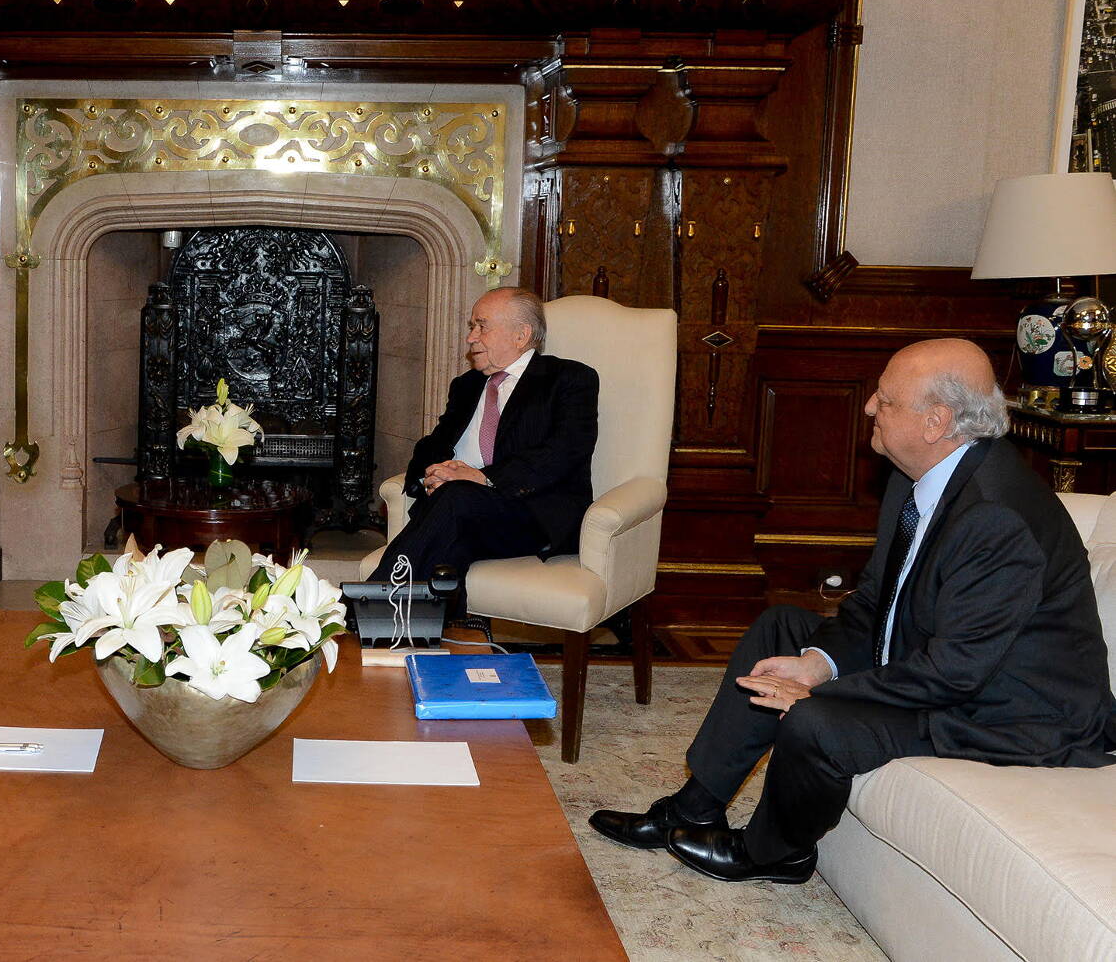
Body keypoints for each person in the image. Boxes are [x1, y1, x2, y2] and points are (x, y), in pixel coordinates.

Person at [591, 338, 1116, 883]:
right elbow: (874, 601)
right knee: (783, 631)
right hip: (947, 666)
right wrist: (819, 662)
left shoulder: (996, 517)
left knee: (816, 719)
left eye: (885, 400)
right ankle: (695, 806)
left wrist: (819, 691)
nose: (868, 407)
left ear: (935, 422)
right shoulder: (916, 478)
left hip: (1010, 714)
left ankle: (776, 853)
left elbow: (955, 673)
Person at [368, 286, 598, 581]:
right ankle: (418, 622)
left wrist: (481, 477)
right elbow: (432, 445)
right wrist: (434, 473)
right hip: (459, 510)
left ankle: (364, 604)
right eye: (471, 327)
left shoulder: (568, 379)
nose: (470, 337)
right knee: (449, 550)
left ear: (521, 335)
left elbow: (563, 452)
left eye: (481, 326)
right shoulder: (466, 385)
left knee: (455, 500)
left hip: (531, 513)